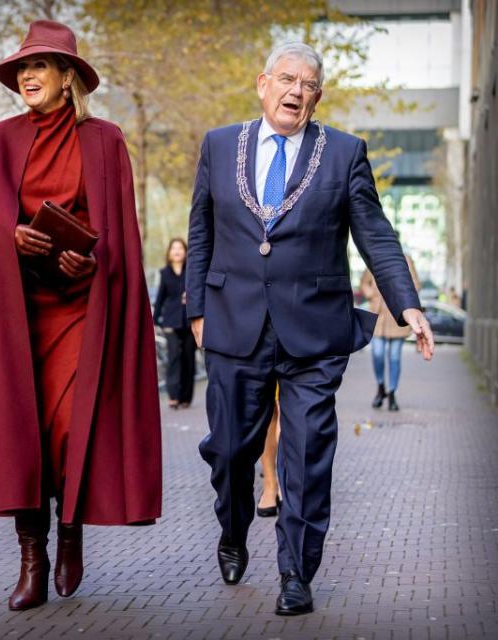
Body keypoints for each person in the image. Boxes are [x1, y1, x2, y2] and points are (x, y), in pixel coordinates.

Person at [186, 42, 434, 616]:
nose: (296, 91)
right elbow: (201, 229)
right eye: (287, 79)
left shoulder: (344, 153)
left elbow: (376, 233)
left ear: (318, 98)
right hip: (232, 323)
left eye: (309, 85)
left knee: (306, 454)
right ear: (263, 83)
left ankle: (296, 571)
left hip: (314, 333)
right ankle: (233, 530)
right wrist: (195, 308)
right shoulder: (220, 146)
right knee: (228, 451)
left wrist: (407, 304)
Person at [0, 20, 162, 611]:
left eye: (40, 66)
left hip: (80, 306)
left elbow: (121, 231)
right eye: (22, 67)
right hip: (20, 310)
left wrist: (89, 261)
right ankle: (32, 556)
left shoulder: (106, 140)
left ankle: (70, 532)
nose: (27, 75)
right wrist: (11, 237)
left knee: (70, 429)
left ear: (68, 77)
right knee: (27, 436)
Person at [361, 255, 420, 412]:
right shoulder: (374, 256)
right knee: (377, 353)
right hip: (378, 316)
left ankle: (392, 392)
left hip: (398, 314)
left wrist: (403, 297)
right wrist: (372, 295)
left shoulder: (406, 259)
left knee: (394, 357)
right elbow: (364, 283)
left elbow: (415, 284)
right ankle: (381, 387)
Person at [154, 238, 196, 409]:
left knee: (188, 358)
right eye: (174, 248)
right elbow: (160, 299)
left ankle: (186, 397)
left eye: (180, 248)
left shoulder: (192, 271)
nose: (177, 251)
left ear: (186, 252)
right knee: (174, 357)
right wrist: (155, 320)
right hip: (170, 321)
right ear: (169, 253)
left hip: (189, 320)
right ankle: (173, 395)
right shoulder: (164, 273)